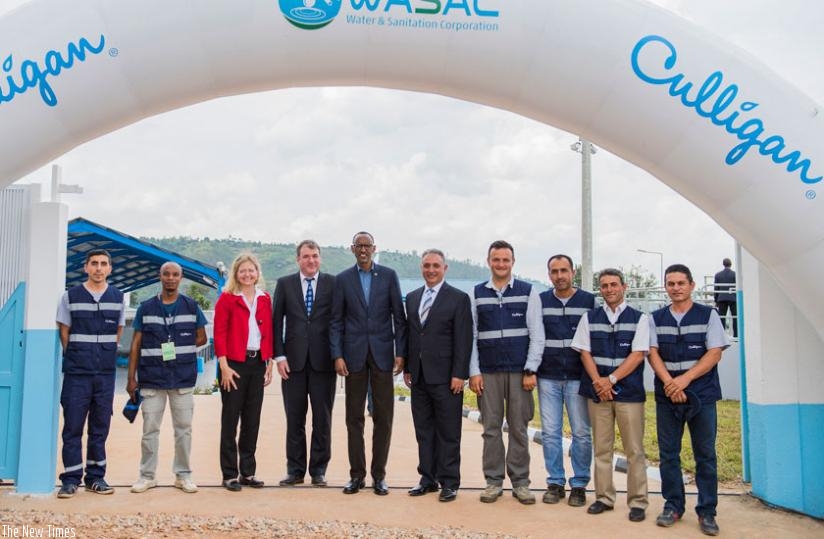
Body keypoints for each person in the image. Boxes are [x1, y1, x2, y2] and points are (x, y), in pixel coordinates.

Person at [648, 264, 730, 536]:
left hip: (701, 396)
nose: (676, 288)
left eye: (681, 283)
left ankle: (707, 511)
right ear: (665, 287)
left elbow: (714, 353)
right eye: (670, 283)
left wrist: (684, 380)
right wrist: (670, 383)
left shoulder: (708, 315)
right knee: (668, 454)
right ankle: (673, 506)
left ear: (692, 285)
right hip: (668, 397)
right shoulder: (655, 318)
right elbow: (652, 353)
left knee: (705, 455)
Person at [330, 231, 407, 495]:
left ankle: (379, 475)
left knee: (383, 418)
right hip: (353, 358)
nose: (363, 250)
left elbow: (399, 317)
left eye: (367, 246)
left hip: (383, 356)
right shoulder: (342, 280)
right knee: (354, 418)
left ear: (374, 248)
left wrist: (400, 352)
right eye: (359, 246)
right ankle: (357, 475)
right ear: (352, 249)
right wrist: (337, 355)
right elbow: (336, 321)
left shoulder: (389, 276)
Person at [468, 240, 545, 505]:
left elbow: (537, 334)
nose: (501, 264)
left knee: (518, 428)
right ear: (488, 261)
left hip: (519, 373)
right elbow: (472, 336)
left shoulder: (528, 292)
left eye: (505, 260)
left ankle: (521, 483)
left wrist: (531, 369)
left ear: (513, 262)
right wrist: (474, 371)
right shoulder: (476, 293)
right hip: (488, 372)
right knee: (490, 429)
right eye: (496, 259)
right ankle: (493, 481)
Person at [571, 268, 649, 522]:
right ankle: (604, 497)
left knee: (634, 449)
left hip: (629, 394)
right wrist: (599, 382)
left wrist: (611, 380)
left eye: (614, 284)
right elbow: (584, 353)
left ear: (624, 287)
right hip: (598, 394)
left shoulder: (639, 319)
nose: (609, 289)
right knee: (602, 448)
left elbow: (638, 355)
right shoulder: (589, 318)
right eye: (604, 285)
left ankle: (638, 502)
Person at [126, 261, 208, 494]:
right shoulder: (146, 308)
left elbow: (202, 337)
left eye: (175, 274)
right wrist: (131, 378)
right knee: (149, 431)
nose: (171, 278)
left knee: (184, 429)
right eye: (166, 274)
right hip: (152, 378)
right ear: (160, 276)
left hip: (182, 377)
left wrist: (180, 347)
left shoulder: (191, 307)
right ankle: (147, 476)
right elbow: (136, 344)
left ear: (181, 278)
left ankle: (183, 475)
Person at [55, 249, 126, 498]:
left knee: (99, 428)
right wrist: (77, 355)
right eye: (94, 263)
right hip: (77, 374)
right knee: (72, 427)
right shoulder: (70, 296)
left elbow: (118, 331)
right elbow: (64, 331)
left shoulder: (118, 297)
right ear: (86, 267)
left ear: (110, 269)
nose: (98, 268)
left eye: (103, 264)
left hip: (104, 374)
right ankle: (70, 479)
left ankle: (96, 478)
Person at [403, 249, 473, 502]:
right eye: (426, 265)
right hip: (419, 377)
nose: (431, 270)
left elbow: (463, 339)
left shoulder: (458, 298)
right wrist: (408, 367)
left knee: (448, 432)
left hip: (447, 378)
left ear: (445, 268)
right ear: (421, 268)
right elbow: (411, 335)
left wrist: (459, 374)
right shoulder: (412, 298)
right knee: (424, 430)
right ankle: (428, 478)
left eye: (435, 265)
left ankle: (450, 481)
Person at [273, 240, 336, 488]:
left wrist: (338, 356)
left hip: (324, 363)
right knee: (295, 419)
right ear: (298, 259)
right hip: (293, 364)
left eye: (315, 256)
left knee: (322, 420)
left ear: (320, 258)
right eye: (306, 256)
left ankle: (319, 470)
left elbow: (339, 320)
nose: (311, 260)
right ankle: (295, 470)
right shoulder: (285, 284)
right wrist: (279, 356)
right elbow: (276, 322)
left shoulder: (333, 283)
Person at [537, 254, 596, 507]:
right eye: (554, 271)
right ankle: (555, 482)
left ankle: (579, 484)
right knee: (550, 432)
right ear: (549, 275)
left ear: (573, 272)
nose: (559, 276)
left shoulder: (588, 301)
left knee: (581, 432)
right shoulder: (540, 301)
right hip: (548, 376)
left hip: (578, 377)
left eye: (564, 270)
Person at [214, 253, 274, 491]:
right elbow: (219, 333)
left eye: (251, 270)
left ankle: (247, 472)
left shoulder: (265, 298)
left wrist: (269, 362)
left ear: (257, 273)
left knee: (252, 420)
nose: (247, 274)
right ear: (236, 274)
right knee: (230, 421)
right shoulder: (227, 298)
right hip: (233, 365)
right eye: (243, 271)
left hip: (257, 363)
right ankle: (229, 474)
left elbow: (269, 331)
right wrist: (224, 366)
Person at [713, 258, 737, 338]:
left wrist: (716, 300)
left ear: (723, 264)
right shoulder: (735, 274)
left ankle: (722, 336)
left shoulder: (718, 275)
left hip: (721, 298)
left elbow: (716, 288)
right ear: (731, 264)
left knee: (722, 317)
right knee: (735, 317)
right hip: (733, 298)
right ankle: (736, 336)